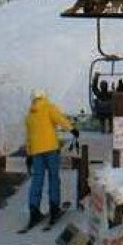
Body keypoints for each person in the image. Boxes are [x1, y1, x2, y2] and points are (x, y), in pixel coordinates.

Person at [24, 89, 79, 230]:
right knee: (53, 178)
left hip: (36, 152)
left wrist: (29, 154)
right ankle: (54, 209)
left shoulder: (30, 115)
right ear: (44, 96)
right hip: (51, 149)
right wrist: (72, 129)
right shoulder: (48, 107)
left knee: (37, 180)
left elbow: (29, 137)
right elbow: (60, 119)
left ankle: (33, 211)